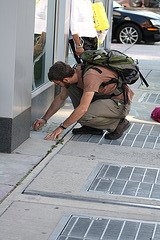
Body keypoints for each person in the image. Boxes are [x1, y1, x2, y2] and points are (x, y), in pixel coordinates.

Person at [33, 61, 134, 141]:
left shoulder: (90, 77)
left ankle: (118, 124)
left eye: (57, 83)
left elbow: (83, 109)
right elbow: (60, 98)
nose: (57, 85)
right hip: (105, 98)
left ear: (66, 79)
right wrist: (44, 119)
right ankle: (92, 127)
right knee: (71, 88)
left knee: (82, 116)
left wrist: (62, 127)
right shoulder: (75, 73)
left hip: (119, 103)